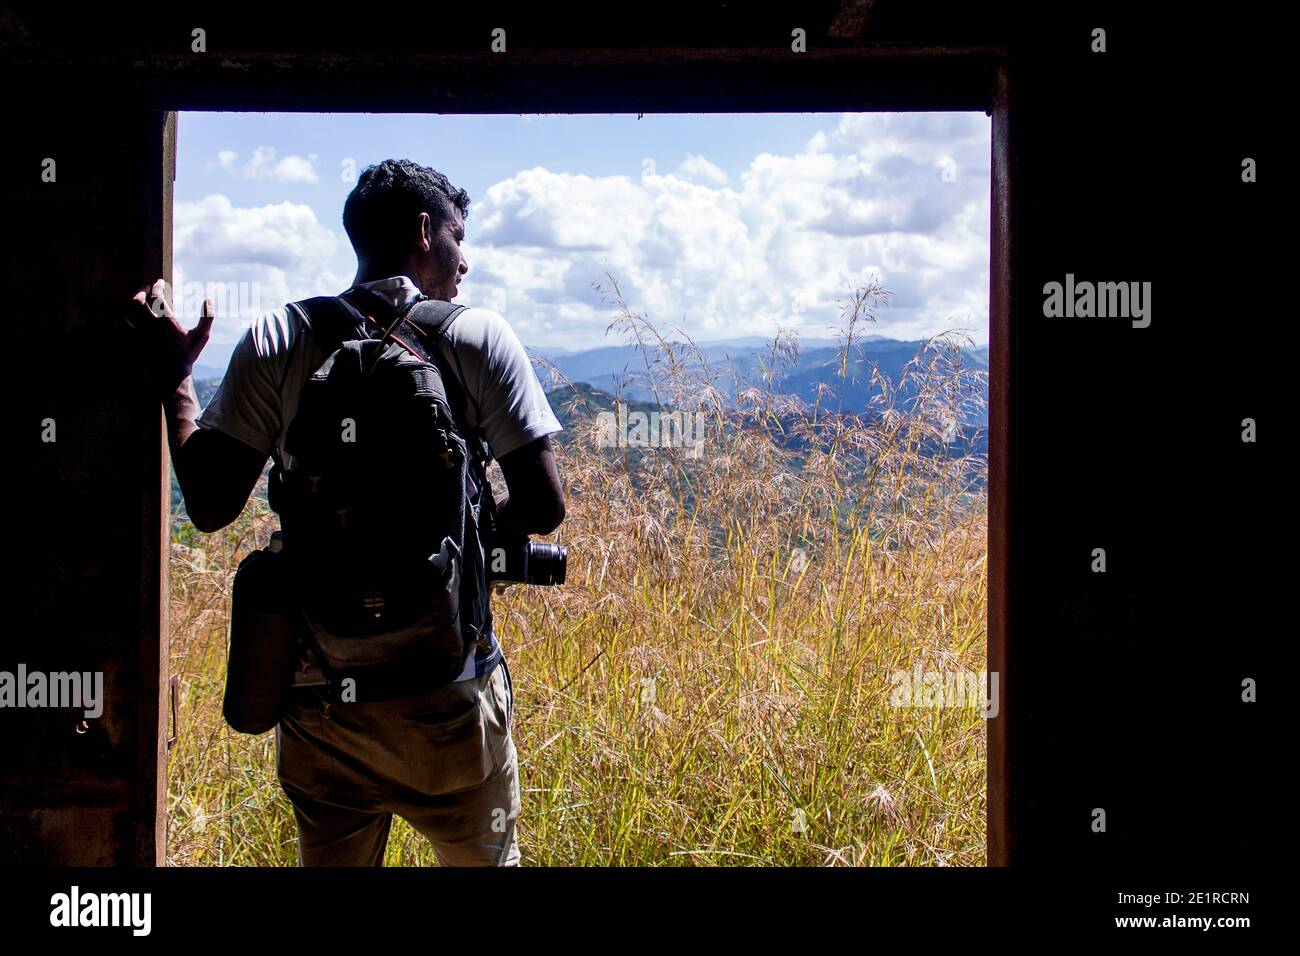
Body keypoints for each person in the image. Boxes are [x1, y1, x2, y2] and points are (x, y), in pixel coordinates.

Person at [126, 158, 566, 866]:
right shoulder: (479, 337)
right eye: (459, 236)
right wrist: (471, 536)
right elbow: (544, 505)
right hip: (447, 704)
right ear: (425, 232)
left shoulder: (279, 337)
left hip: (323, 705)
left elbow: (209, 504)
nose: (466, 258)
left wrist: (178, 382)